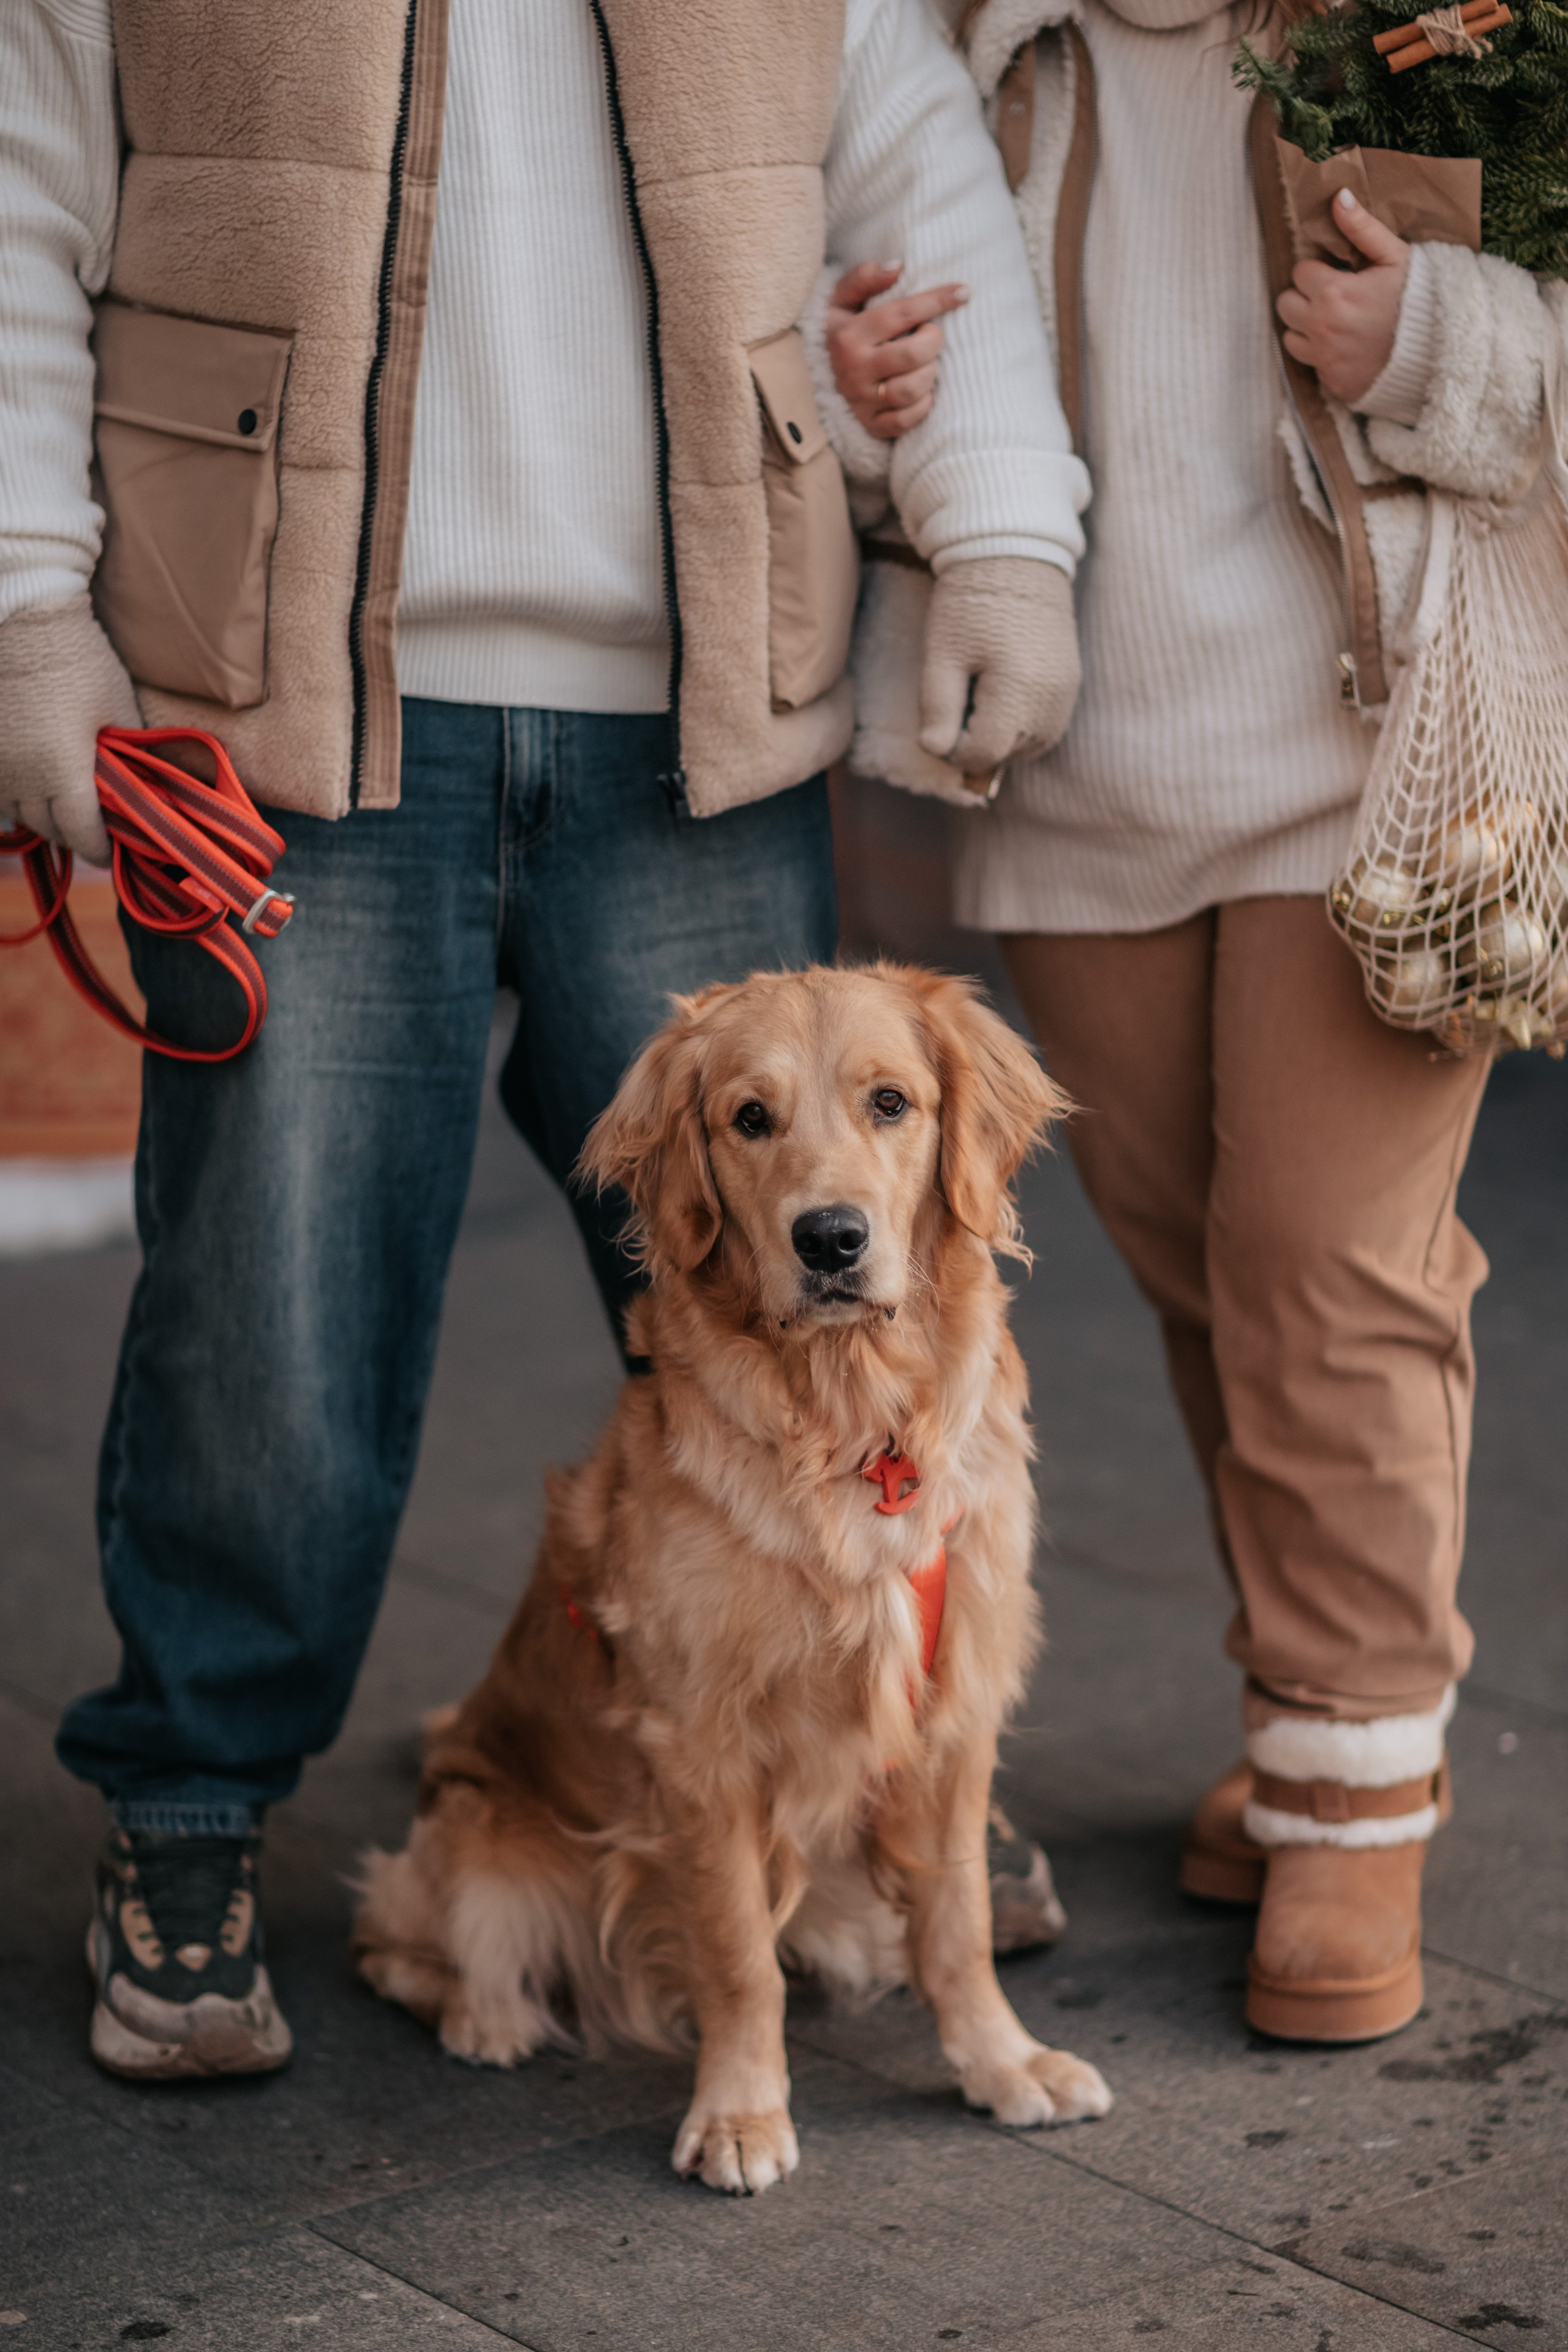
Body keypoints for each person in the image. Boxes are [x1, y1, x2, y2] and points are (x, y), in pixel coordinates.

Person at [0, 0, 1092, 2079]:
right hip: (290, 718)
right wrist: (26, 601)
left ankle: (885, 1769)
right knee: (274, 1307)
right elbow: (17, 204)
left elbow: (924, 186)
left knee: (824, 1290)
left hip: (694, 717)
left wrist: (1002, 530)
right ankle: (195, 1808)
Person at [828, 0, 1566, 2041]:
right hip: (1081, 779)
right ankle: (1318, 1705)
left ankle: (1353, 1783)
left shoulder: (1439, 26)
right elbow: (864, 320)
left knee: (1329, 1278)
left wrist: (1446, 340)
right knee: (1202, 1277)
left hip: (1380, 773)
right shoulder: (970, 47)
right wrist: (860, 385)